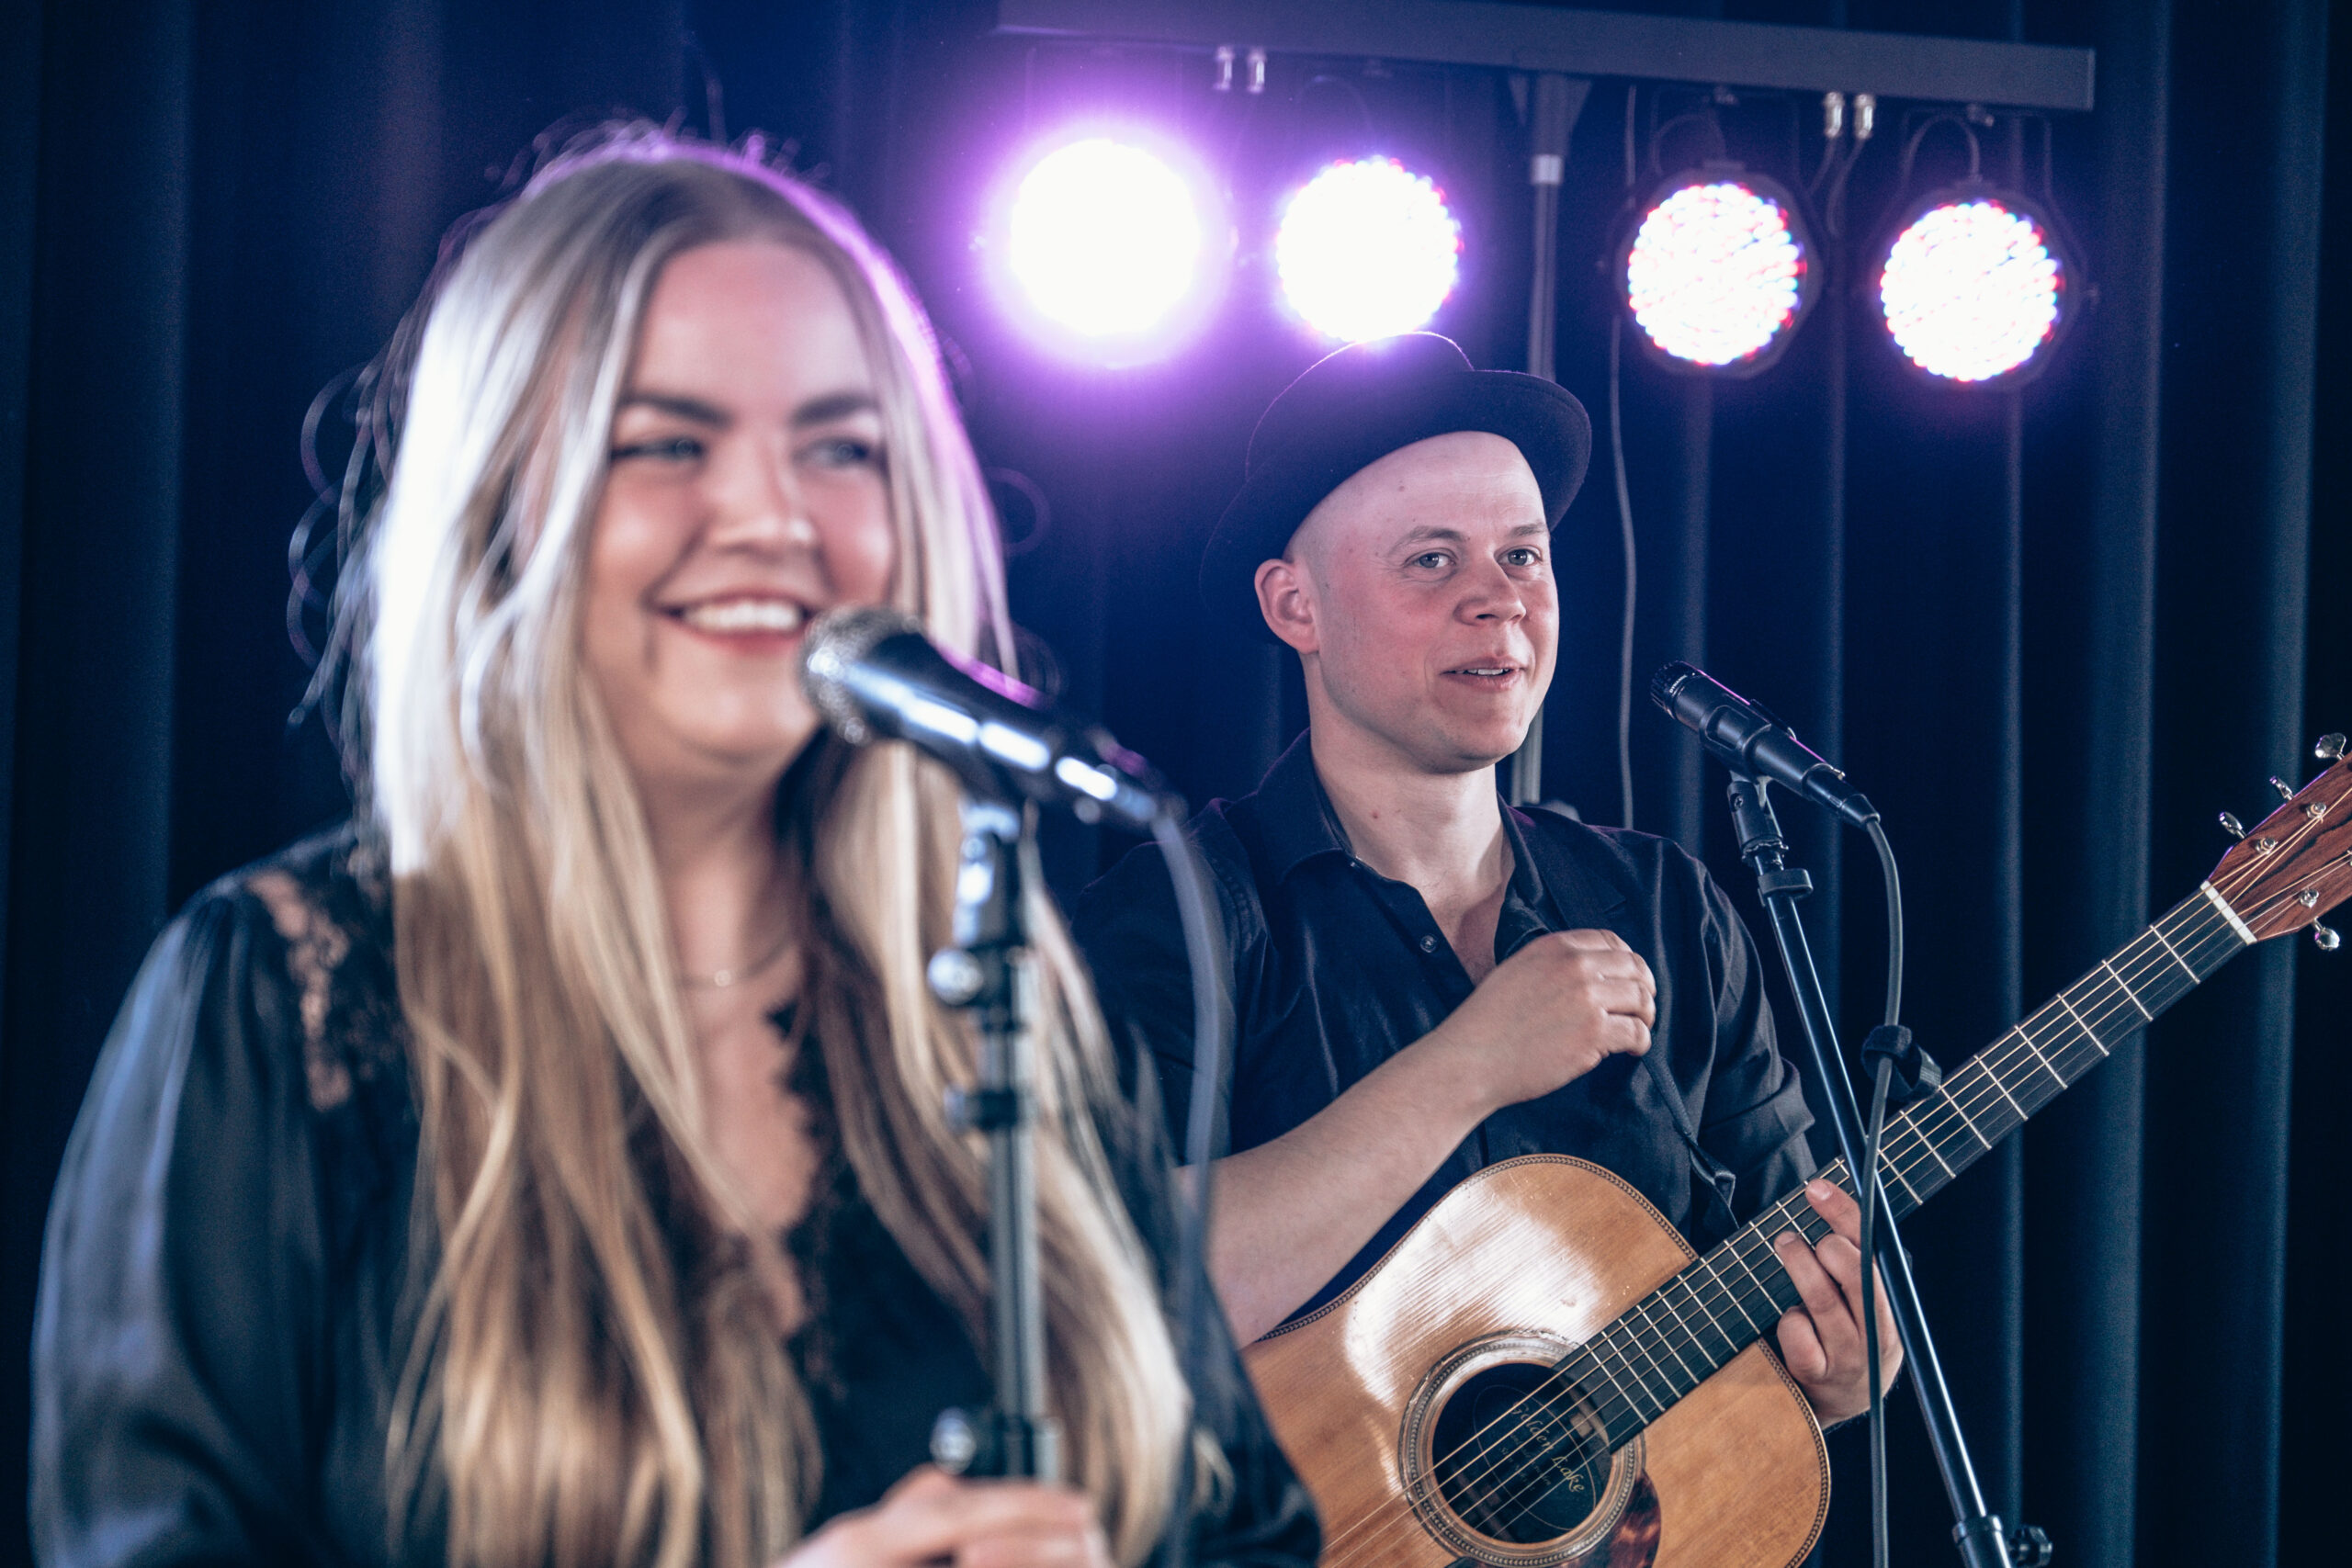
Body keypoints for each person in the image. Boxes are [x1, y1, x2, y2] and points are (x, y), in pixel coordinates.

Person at [31, 130, 1317, 1568]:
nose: (772, 514)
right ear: (506, 514)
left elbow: (1243, 1531)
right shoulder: (289, 998)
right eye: (667, 443)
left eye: (840, 447)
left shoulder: (1003, 1020)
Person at [1072, 333, 1898, 1424]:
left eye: (1523, 555)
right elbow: (1107, 1295)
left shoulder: (1667, 908)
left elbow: (1795, 1287)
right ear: (1294, 607)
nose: (1499, 599)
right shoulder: (1174, 916)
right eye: (1432, 560)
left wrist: (1847, 1367)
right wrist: (1468, 1065)